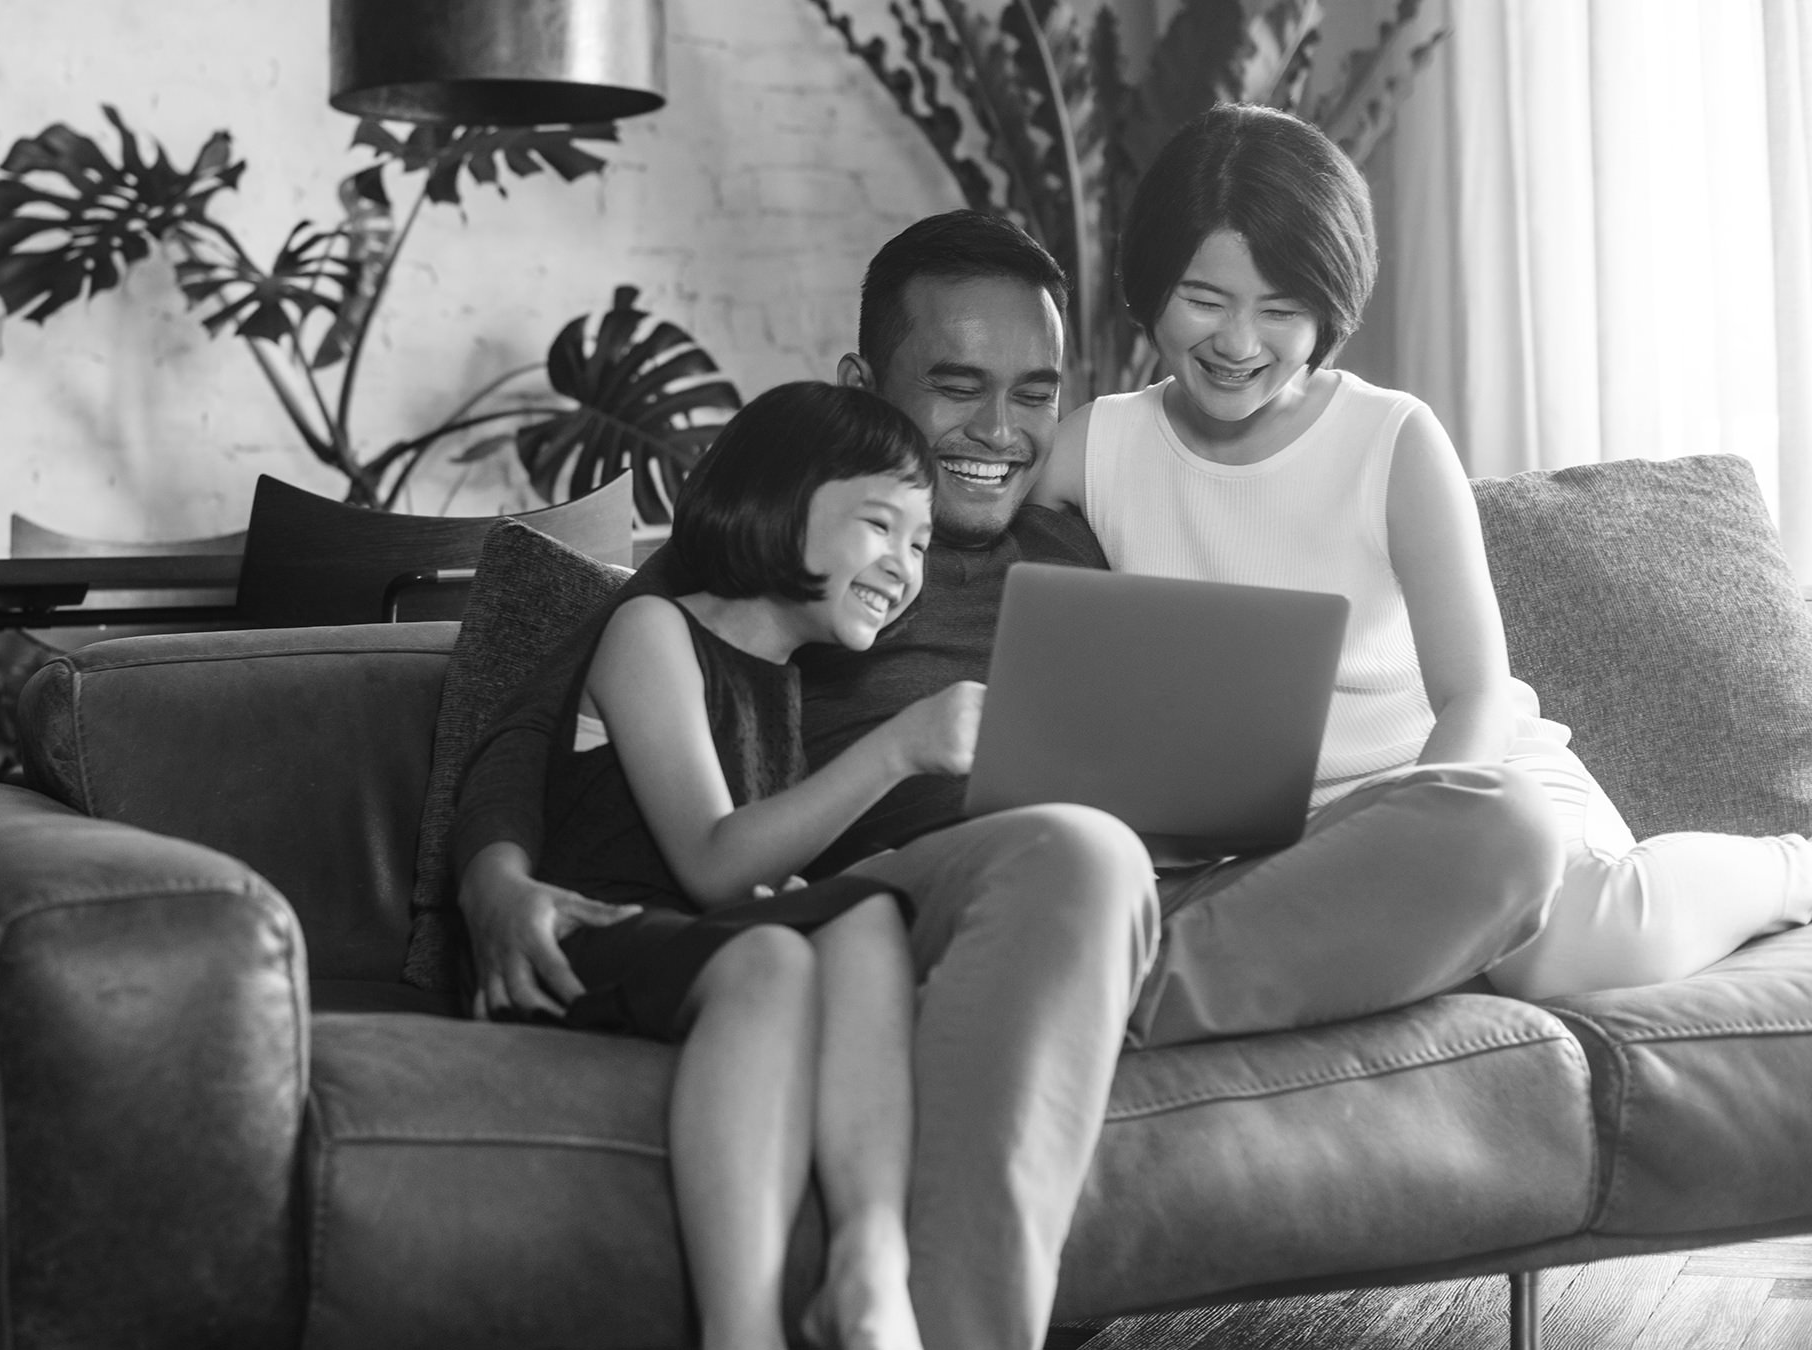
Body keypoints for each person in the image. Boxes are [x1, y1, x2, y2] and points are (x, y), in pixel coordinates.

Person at [452, 211, 1555, 1350]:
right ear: (864, 387)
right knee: (1077, 851)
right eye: (957, 386)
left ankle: (1074, 990)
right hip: (925, 899)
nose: (999, 430)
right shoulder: (806, 542)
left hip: (1123, 895)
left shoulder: (1072, 540)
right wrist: (494, 875)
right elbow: (548, 698)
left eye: (1034, 394)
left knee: (1505, 829)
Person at [1037, 101, 1812, 1001]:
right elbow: (953, 526)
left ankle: (1792, 867)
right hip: (1281, 839)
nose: (1238, 343)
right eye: (1203, 300)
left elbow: (1475, 695)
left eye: (1281, 310)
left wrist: (1425, 843)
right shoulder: (1097, 446)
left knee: (1557, 952)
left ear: (1328, 309)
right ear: (1150, 283)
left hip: (1465, 782)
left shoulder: (1390, 437)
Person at [534, 381, 967, 1350]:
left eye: (921, 542)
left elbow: (753, 872)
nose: (905, 564)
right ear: (779, 500)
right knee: (773, 957)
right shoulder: (652, 632)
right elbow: (712, 862)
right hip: (588, 944)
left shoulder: (781, 684)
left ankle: (867, 1263)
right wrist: (900, 748)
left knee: (864, 911)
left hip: (690, 949)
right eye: (880, 524)